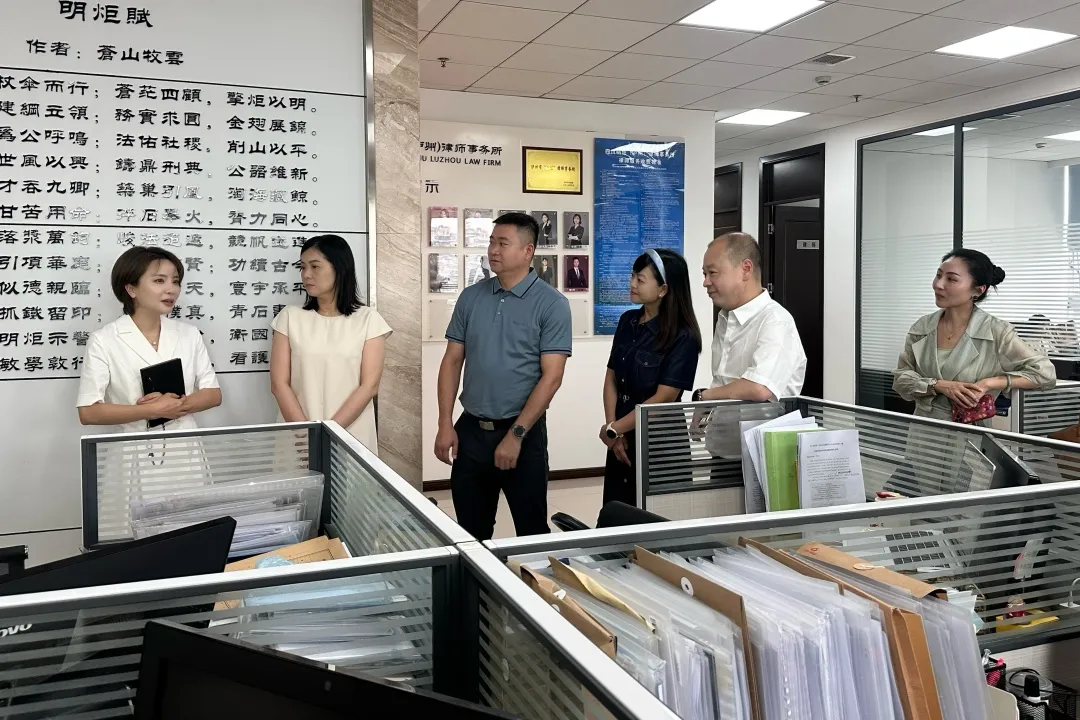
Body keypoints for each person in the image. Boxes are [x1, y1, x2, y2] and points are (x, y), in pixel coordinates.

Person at [434, 212, 572, 540]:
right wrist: (444, 422)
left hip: (522, 432)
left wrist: (516, 435)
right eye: (491, 242)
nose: (493, 250)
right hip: (470, 432)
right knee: (471, 533)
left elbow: (552, 378)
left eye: (503, 243)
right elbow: (452, 361)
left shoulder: (552, 304)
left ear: (528, 251)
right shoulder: (471, 297)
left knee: (531, 532)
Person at [893, 249, 1056, 422]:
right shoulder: (922, 327)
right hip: (923, 430)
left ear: (978, 290)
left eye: (951, 279)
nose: (938, 284)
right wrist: (938, 385)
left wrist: (989, 383)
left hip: (970, 432)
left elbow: (1045, 373)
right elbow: (901, 379)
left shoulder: (996, 331)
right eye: (938, 275)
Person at [77, 246, 222, 432]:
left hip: (186, 443)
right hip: (134, 445)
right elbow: (88, 411)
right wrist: (151, 410)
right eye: (159, 280)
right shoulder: (104, 340)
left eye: (175, 281)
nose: (171, 289)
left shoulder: (189, 333)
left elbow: (212, 394)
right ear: (131, 289)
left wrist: (173, 406)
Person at [270, 234, 392, 452]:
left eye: (315, 266)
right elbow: (279, 384)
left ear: (339, 268)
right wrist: (306, 436)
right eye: (302, 267)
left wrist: (327, 435)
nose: (306, 275)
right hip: (299, 439)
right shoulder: (289, 317)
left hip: (351, 434)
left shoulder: (369, 320)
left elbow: (369, 386)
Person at [691, 233, 806, 458]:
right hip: (724, 451)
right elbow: (724, 381)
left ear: (745, 269)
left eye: (712, 273)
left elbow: (759, 387)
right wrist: (706, 405)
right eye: (704, 274)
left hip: (762, 460)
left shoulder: (775, 321)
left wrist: (705, 397)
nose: (706, 282)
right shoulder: (725, 318)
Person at [600, 249, 701, 506]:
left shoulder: (683, 336)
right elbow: (611, 378)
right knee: (616, 515)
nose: (632, 283)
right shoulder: (627, 321)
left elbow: (664, 397)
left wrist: (615, 429)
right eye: (632, 276)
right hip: (621, 438)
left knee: (656, 517)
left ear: (663, 289)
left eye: (640, 279)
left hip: (660, 444)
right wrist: (614, 428)